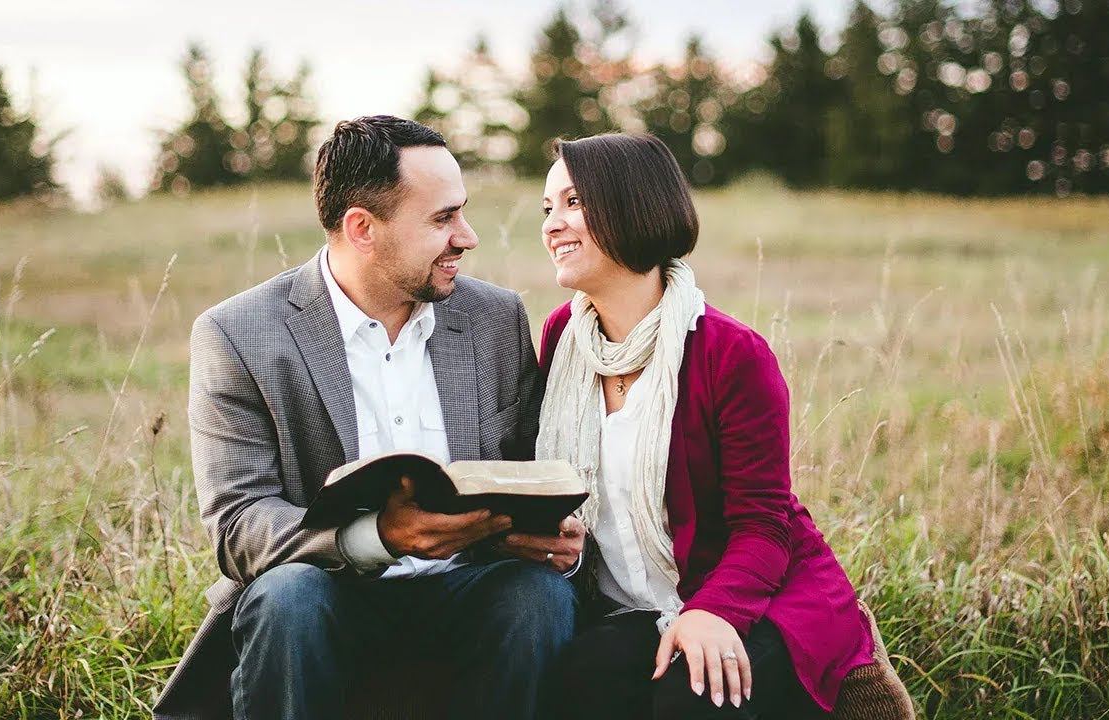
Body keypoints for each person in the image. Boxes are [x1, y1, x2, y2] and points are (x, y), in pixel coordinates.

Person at [152, 115, 584, 720]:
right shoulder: (239, 333)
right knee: (288, 596)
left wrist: (554, 536)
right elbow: (239, 525)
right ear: (362, 228)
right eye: (442, 219)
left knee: (537, 596)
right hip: (325, 592)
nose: (467, 237)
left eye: (461, 213)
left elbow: (529, 470)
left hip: (468, 589)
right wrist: (379, 537)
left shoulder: (496, 317)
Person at [535, 133, 912, 719]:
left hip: (758, 596)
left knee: (694, 697)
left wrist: (713, 612)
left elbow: (765, 523)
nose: (552, 224)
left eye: (574, 202)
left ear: (633, 207)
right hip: (639, 606)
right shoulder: (563, 338)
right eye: (548, 208)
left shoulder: (730, 353)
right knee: (577, 685)